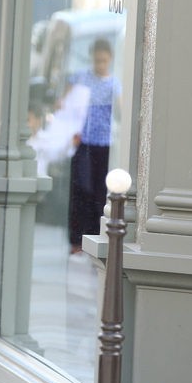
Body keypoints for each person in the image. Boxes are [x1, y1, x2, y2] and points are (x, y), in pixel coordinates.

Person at [68, 38, 121, 254]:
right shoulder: (82, 78)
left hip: (103, 143)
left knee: (100, 191)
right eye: (97, 60)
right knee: (81, 189)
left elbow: (120, 110)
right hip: (83, 141)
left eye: (104, 61)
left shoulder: (114, 84)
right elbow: (67, 101)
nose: (100, 65)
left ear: (110, 60)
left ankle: (95, 235)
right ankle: (76, 239)